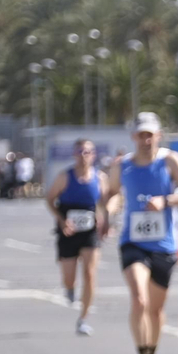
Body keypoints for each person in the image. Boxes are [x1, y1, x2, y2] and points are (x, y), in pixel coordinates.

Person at [102, 113, 178, 354]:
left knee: (156, 310)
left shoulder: (169, 162)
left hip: (164, 245)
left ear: (158, 136)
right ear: (133, 138)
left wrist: (166, 200)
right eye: (140, 135)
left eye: (150, 135)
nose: (145, 140)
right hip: (133, 242)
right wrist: (107, 212)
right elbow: (109, 193)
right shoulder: (123, 166)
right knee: (139, 298)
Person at [45, 139, 105, 336]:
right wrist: (62, 221)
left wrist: (104, 216)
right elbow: (50, 199)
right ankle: (70, 289)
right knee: (69, 277)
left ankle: (84, 318)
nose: (84, 155)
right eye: (80, 151)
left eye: (88, 151)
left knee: (89, 273)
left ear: (94, 155)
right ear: (74, 154)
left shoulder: (100, 178)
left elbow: (110, 201)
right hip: (68, 230)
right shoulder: (65, 177)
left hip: (90, 231)